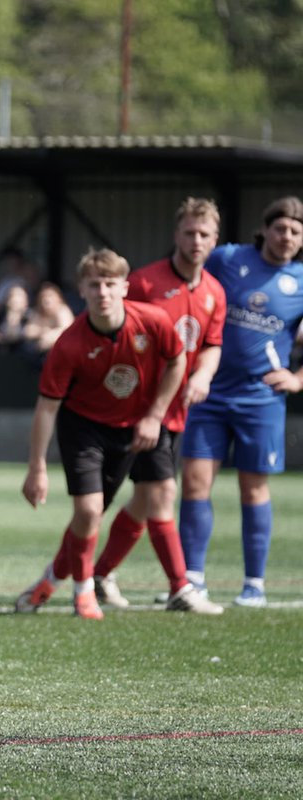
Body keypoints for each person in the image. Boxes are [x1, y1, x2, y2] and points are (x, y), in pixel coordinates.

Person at [14, 247, 185, 620]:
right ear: (82, 289)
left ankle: (51, 578)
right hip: (84, 429)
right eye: (95, 285)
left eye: (110, 284)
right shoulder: (70, 343)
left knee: (134, 504)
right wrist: (36, 467)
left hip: (135, 426)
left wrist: (156, 414)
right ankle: (83, 591)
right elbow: (46, 407)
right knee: (89, 511)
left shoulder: (153, 321)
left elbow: (177, 360)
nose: (103, 292)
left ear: (125, 287)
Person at [91, 198, 227, 614]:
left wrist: (202, 375)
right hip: (138, 411)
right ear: (176, 235)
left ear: (215, 239)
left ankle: (94, 576)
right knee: (154, 494)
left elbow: (210, 347)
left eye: (204, 234)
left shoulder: (214, 292)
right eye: (189, 232)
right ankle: (180, 588)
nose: (196, 240)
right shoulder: (147, 283)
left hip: (171, 412)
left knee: (146, 499)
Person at [178, 196, 303, 607]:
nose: (287, 237)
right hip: (209, 391)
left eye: (296, 231)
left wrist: (297, 379)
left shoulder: (300, 280)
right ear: (265, 229)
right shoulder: (228, 258)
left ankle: (255, 585)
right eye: (281, 228)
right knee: (196, 483)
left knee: (254, 490)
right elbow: (191, 291)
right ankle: (191, 579)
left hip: (261, 399)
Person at [23, 282, 75, 356]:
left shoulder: (62, 310)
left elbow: (67, 331)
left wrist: (49, 335)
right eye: (43, 296)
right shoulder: (38, 311)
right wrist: (42, 331)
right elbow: (28, 331)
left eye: (50, 296)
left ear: (58, 298)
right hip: (38, 351)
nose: (46, 299)